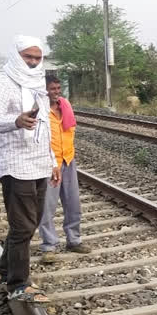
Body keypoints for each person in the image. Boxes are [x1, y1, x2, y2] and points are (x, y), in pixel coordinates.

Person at [0, 35, 61, 303]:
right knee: (22, 226)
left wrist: (52, 160)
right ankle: (18, 284)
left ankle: (3, 270)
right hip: (15, 165)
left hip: (38, 162)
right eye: (28, 57)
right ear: (17, 56)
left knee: (31, 222)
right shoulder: (1, 84)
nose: (33, 62)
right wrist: (15, 121)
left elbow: (45, 125)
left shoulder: (37, 84)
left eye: (38, 58)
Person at [38, 75, 90, 260]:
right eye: (52, 89)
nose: (56, 92)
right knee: (47, 206)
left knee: (73, 203)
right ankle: (49, 245)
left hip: (68, 159)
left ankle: (74, 240)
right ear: (44, 90)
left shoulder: (65, 106)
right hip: (49, 163)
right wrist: (51, 163)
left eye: (58, 88)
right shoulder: (40, 110)